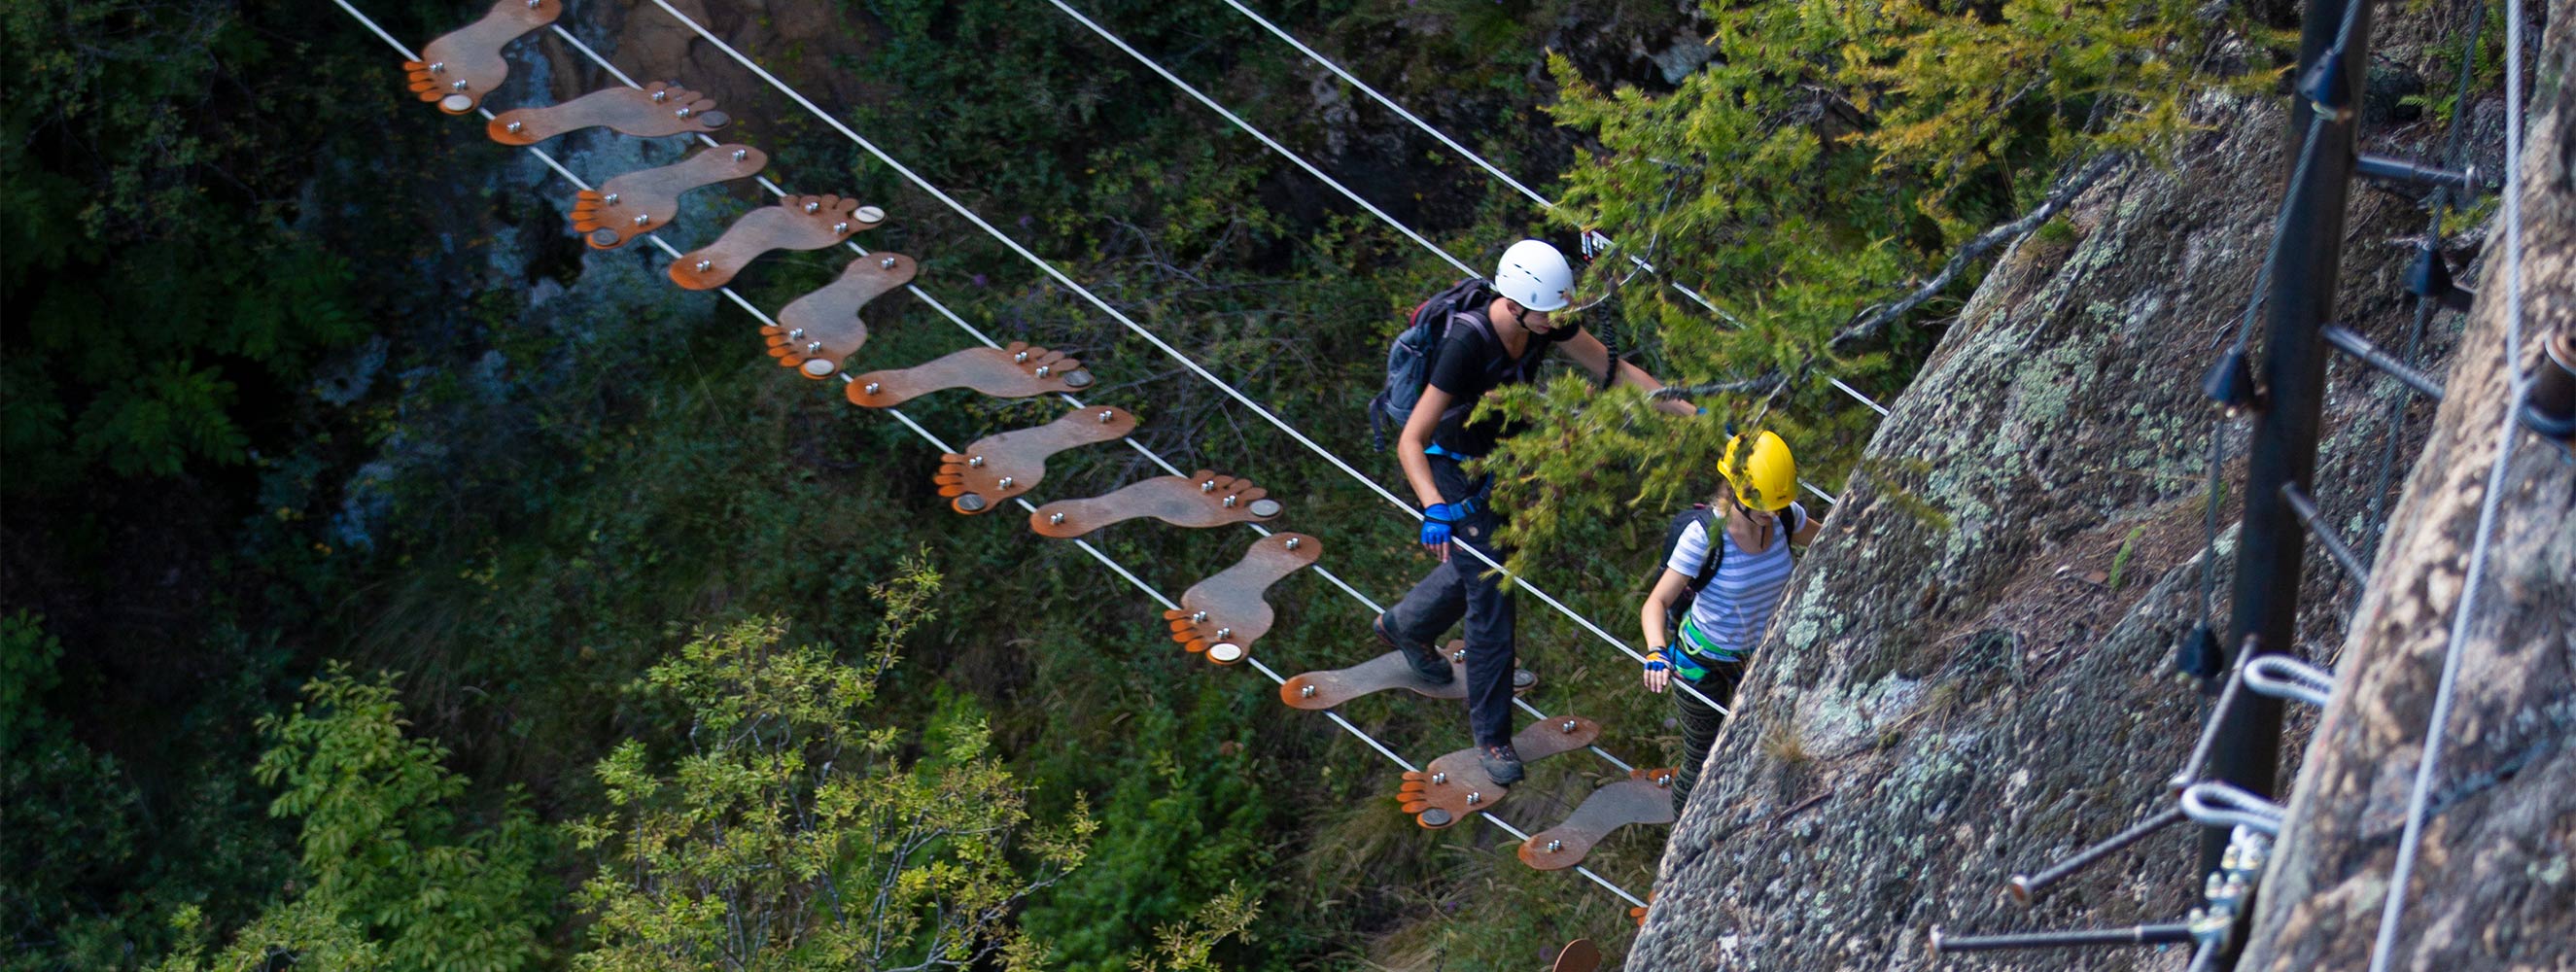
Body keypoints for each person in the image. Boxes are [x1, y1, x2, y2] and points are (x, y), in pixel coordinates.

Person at [1375, 239, 1698, 785]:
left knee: (1485, 561)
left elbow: (1617, 372)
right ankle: (1493, 737)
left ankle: (1404, 625)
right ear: (1518, 303)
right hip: (1448, 461)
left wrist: (1698, 416)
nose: (1560, 322)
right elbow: (1412, 438)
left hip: (1497, 456)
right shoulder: (1467, 343)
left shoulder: (1544, 319)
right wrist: (1433, 507)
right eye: (1551, 313)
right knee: (1493, 589)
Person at [1638, 430, 1821, 809]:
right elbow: (1656, 602)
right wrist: (1656, 652)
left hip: (1759, 658)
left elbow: (1835, 535)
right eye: (1766, 505)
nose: (1773, 513)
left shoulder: (1786, 517)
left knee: (1769, 742)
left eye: (1778, 503)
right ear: (1740, 491)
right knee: (1703, 758)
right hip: (1700, 661)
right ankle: (1681, 842)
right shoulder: (1703, 537)